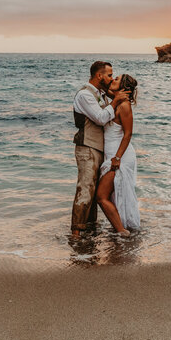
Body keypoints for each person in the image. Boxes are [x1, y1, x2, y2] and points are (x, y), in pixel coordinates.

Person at [71, 61, 129, 238]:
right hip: (87, 147)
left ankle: (89, 229)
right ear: (99, 76)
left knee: (94, 191)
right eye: (109, 75)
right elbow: (100, 118)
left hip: (98, 148)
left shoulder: (100, 94)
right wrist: (117, 100)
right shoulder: (84, 95)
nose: (112, 78)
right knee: (85, 189)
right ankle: (76, 234)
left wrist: (117, 94)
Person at [95, 73, 140, 235]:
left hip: (120, 156)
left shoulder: (124, 106)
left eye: (116, 79)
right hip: (113, 155)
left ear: (123, 87)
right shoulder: (116, 102)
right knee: (113, 196)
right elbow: (104, 90)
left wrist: (117, 158)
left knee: (101, 196)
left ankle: (122, 232)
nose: (112, 80)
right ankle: (121, 229)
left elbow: (128, 134)